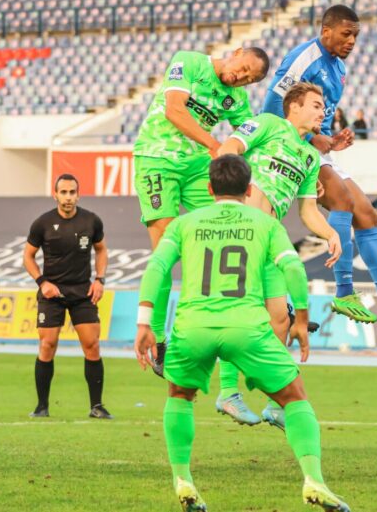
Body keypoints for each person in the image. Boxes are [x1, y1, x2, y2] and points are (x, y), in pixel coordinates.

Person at [134, 154, 350, 511]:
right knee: (294, 397)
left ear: (208, 189)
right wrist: (301, 318)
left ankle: (183, 479)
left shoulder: (186, 223)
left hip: (194, 327)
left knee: (179, 395)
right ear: (249, 189)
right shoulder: (264, 223)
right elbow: (293, 267)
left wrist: (145, 324)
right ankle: (313, 480)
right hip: (247, 328)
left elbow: (157, 268)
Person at [261, 5, 377, 325]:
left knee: (367, 213)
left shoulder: (339, 68)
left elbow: (317, 117)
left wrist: (330, 138)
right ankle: (343, 293)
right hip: (290, 146)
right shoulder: (304, 58)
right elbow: (272, 107)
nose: (352, 41)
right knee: (341, 199)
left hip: (318, 149)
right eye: (346, 34)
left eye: (355, 35)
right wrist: (311, 141)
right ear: (326, 31)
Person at [133, 45, 270, 424]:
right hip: (157, 158)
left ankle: (228, 385)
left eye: (249, 79)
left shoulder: (236, 98)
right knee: (165, 249)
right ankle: (160, 340)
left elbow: (252, 133)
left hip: (195, 169)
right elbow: (175, 110)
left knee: (224, 234)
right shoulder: (188, 62)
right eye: (242, 69)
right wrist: (215, 145)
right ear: (235, 53)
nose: (241, 78)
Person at [210, 82, 343, 429]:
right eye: (316, 105)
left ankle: (273, 402)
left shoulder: (311, 157)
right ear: (294, 107)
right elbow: (229, 148)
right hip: (241, 230)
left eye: (323, 107)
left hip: (270, 238)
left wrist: (330, 233)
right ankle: (227, 391)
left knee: (280, 321)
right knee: (238, 312)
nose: (322, 111)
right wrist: (234, 195)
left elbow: (308, 211)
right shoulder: (268, 123)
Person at [23, 174, 110, 419]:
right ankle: (42, 407)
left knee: (92, 345)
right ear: (56, 194)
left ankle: (97, 406)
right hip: (52, 293)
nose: (68, 197)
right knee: (47, 345)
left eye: (72, 192)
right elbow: (27, 257)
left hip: (82, 292)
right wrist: (42, 282)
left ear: (78, 194)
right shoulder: (42, 223)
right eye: (64, 192)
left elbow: (101, 250)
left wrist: (100, 280)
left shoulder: (91, 221)